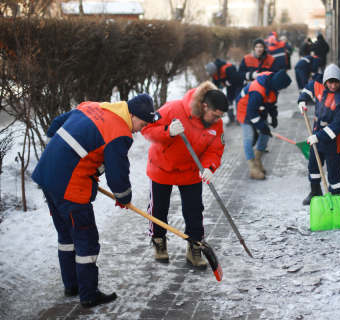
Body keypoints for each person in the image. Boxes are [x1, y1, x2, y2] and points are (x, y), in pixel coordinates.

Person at [31, 94, 156, 307]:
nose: (139, 130)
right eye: (141, 124)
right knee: (86, 240)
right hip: (70, 185)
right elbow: (118, 173)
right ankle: (89, 294)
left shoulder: (91, 106)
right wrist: (123, 197)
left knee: (66, 236)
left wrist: (62, 152)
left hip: (47, 174)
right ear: (131, 115)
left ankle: (72, 285)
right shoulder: (120, 133)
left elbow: (56, 124)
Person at [141, 81, 228, 270]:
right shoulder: (173, 108)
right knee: (159, 208)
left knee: (194, 209)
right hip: (162, 166)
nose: (216, 120)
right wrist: (168, 131)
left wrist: (209, 167)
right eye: (215, 115)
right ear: (205, 106)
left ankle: (195, 246)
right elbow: (147, 130)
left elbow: (215, 149)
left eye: (220, 117)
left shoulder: (216, 123)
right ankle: (158, 240)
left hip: (190, 169)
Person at [297, 64, 340, 205]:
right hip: (316, 133)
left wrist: (318, 137)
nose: (333, 86)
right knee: (314, 165)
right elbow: (309, 88)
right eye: (330, 82)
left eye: (336, 82)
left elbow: (337, 125)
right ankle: (315, 191)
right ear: (325, 81)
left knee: (333, 170)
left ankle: (335, 197)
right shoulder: (319, 84)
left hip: (334, 141)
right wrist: (302, 100)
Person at [236, 70, 292, 180]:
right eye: (283, 87)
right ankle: (252, 167)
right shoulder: (258, 91)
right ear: (278, 85)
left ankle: (257, 160)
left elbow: (271, 101)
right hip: (245, 110)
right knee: (249, 137)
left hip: (258, 109)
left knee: (265, 134)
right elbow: (251, 112)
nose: (284, 89)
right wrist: (262, 126)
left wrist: (274, 115)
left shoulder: (273, 85)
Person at [206, 59, 242, 126]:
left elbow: (234, 78)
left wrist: (224, 84)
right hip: (230, 87)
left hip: (238, 85)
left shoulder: (227, 68)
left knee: (238, 101)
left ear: (216, 70)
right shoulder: (214, 74)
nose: (214, 74)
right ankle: (231, 119)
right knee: (228, 102)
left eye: (214, 73)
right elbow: (215, 84)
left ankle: (239, 119)